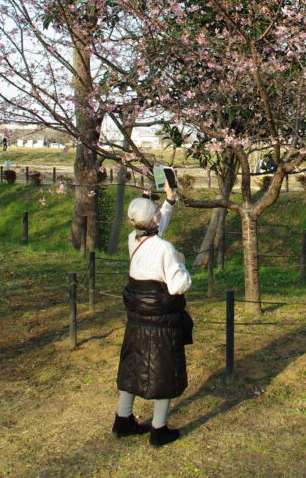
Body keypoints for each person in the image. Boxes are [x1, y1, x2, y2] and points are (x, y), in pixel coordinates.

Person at [112, 186, 193, 447]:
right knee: (164, 372)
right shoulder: (166, 249)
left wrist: (169, 202)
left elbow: (156, 229)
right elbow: (178, 286)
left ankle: (122, 420)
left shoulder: (133, 239)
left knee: (131, 367)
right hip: (162, 320)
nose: (160, 215)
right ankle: (159, 429)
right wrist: (181, 262)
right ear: (153, 219)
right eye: (158, 213)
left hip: (137, 317)